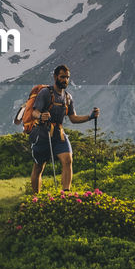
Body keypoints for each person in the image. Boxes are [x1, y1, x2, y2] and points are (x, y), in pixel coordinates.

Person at [29, 64, 99, 193]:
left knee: (68, 160)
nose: (65, 80)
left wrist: (90, 117)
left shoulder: (68, 97)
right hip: (42, 135)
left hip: (59, 135)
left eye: (67, 77)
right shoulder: (45, 93)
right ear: (55, 77)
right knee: (39, 167)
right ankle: (35, 198)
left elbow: (73, 118)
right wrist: (41, 116)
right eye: (62, 77)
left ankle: (65, 195)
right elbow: (34, 112)